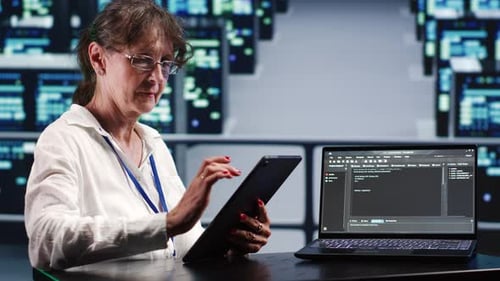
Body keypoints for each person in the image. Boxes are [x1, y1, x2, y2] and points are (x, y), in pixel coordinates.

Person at [24, 0, 271, 270]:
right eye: (142, 60)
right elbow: (46, 241)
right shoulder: (64, 139)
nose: (157, 77)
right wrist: (166, 223)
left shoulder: (153, 142)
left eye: (165, 63)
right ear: (98, 58)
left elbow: (183, 246)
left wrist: (230, 246)